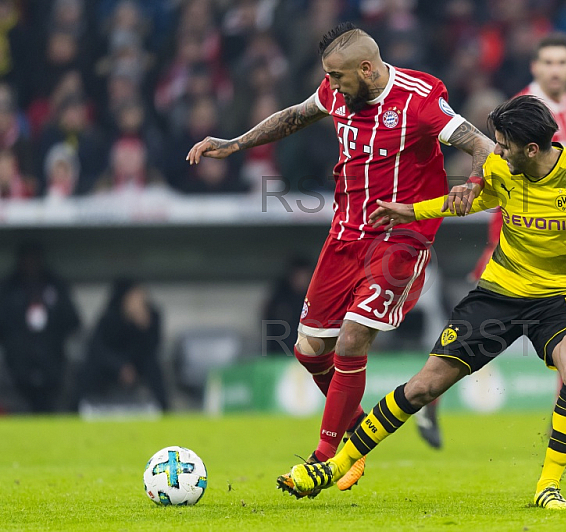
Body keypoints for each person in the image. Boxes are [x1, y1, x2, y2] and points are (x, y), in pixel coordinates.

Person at [284, 95, 566, 510]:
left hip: (558, 297)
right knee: (424, 386)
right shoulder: (503, 168)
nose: (496, 151)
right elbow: (470, 202)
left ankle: (548, 486)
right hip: (498, 295)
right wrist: (411, 212)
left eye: (503, 144)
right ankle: (339, 462)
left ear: (532, 149)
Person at [186, 22, 494, 496]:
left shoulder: (420, 96)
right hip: (344, 235)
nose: (329, 86)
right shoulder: (337, 92)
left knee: (352, 340)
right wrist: (236, 144)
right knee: (309, 351)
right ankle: (359, 435)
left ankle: (325, 460)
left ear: (366, 69)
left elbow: (481, 143)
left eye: (336, 77)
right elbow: (295, 114)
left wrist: (472, 183)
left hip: (400, 237)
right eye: (327, 77)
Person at [422, 32, 566, 451]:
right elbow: (489, 154)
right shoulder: (526, 110)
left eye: (563, 62)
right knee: (474, 334)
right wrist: (472, 183)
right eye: (549, 63)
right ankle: (427, 403)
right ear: (536, 68)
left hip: (560, 249)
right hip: (513, 247)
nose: (557, 70)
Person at [0, 242, 81, 412]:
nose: (31, 265)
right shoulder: (8, 288)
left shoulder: (55, 286)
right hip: (16, 366)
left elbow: (73, 321)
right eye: (27, 260)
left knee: (51, 409)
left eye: (35, 260)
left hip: (52, 365)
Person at [74, 279, 169, 411]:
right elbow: (97, 347)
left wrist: (142, 327)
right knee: (89, 368)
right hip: (111, 364)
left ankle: (164, 410)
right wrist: (120, 366)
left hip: (138, 363)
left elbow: (152, 348)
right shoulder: (110, 317)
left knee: (153, 366)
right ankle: (76, 409)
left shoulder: (152, 316)